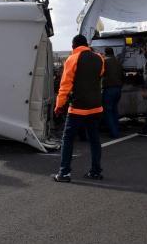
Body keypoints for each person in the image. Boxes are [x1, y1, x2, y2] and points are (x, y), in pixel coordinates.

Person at [53, 34, 105, 182]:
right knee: (94, 140)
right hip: (96, 107)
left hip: (78, 108)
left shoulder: (72, 59)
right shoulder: (99, 58)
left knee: (68, 139)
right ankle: (95, 171)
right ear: (87, 45)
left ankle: (64, 173)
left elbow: (65, 86)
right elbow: (100, 75)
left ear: (73, 46)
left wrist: (59, 105)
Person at [102, 47, 123, 139]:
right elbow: (122, 75)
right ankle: (117, 129)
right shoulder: (118, 62)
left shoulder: (104, 61)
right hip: (118, 89)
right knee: (114, 110)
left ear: (105, 53)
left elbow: (100, 74)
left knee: (108, 111)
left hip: (109, 89)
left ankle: (114, 133)